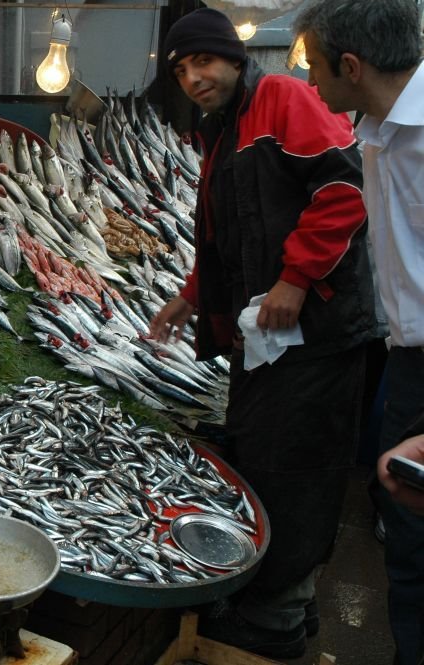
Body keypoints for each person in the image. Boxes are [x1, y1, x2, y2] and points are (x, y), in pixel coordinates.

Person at [149, 7, 377, 660]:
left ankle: (277, 620)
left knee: (295, 469)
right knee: (258, 457)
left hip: (318, 334)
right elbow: (229, 235)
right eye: (183, 69)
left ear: (233, 56)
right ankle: (280, 600)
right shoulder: (222, 130)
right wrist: (192, 297)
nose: (195, 77)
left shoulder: (279, 97)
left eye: (204, 61)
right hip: (268, 341)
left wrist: (296, 279)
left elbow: (343, 185)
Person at [293, 2, 424, 663]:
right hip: (405, 358)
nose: (309, 82)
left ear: (350, 65)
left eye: (313, 66)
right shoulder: (375, 130)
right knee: (408, 545)